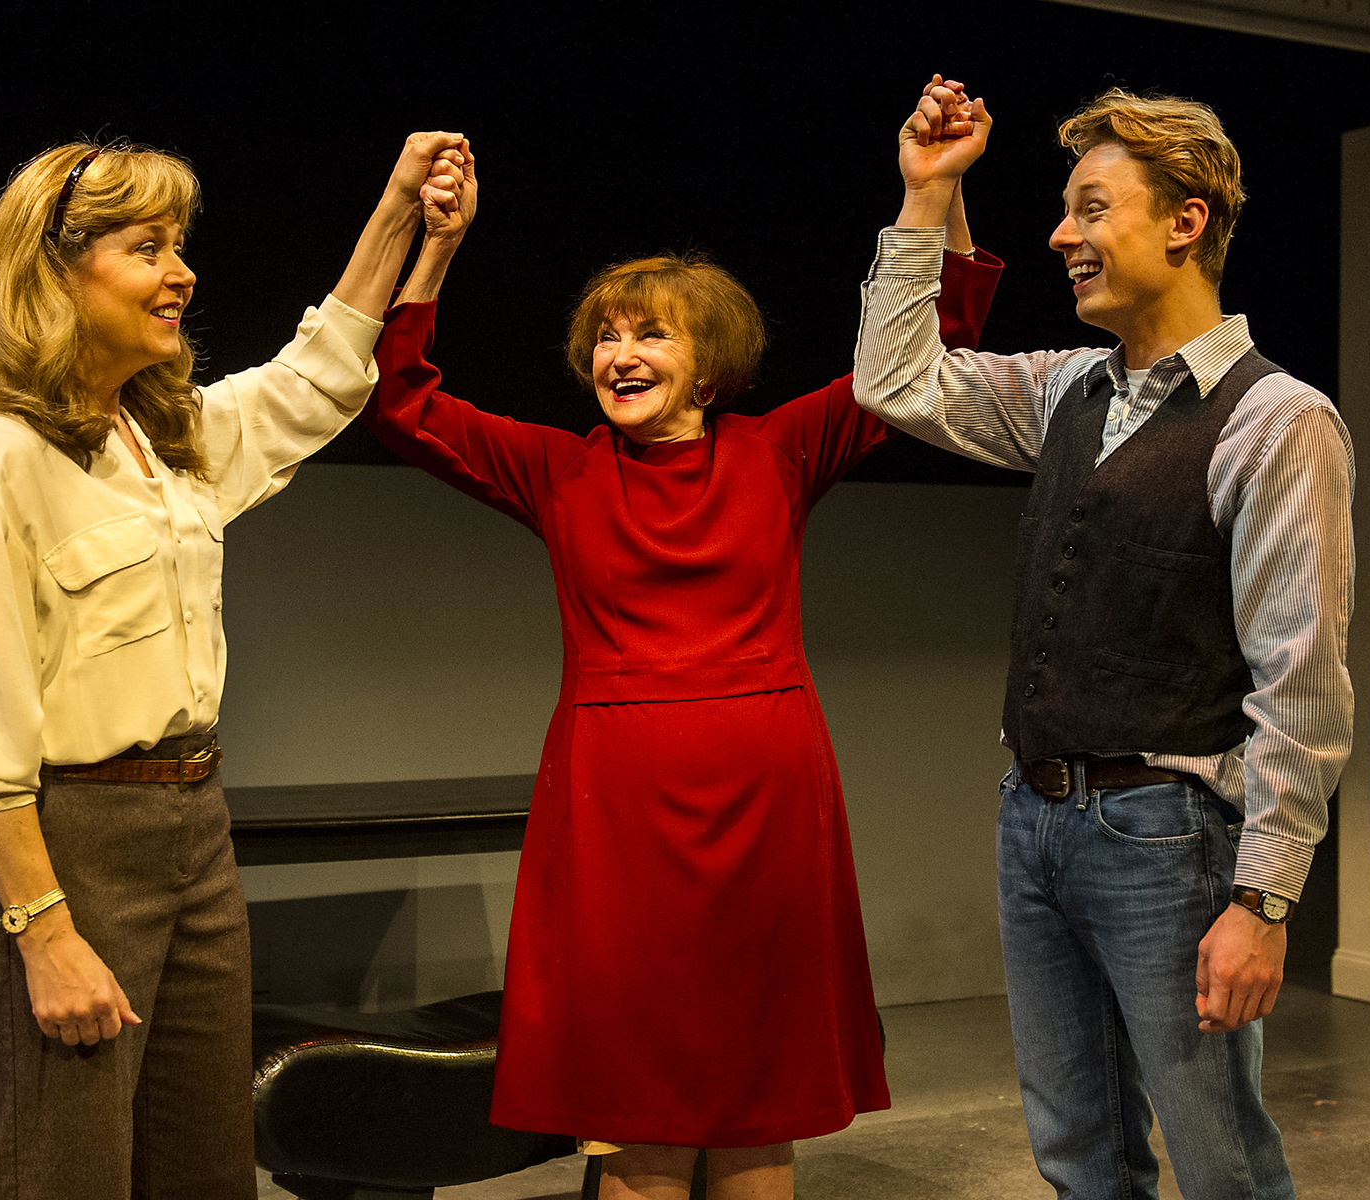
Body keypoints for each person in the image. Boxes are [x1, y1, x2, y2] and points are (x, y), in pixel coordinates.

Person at [365, 144, 1001, 1199]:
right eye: (605, 337)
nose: (619, 352)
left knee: (756, 1111)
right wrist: (435, 247)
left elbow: (936, 350)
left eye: (648, 333)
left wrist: (933, 188)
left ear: (708, 362)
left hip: (767, 806)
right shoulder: (558, 470)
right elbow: (400, 402)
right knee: (638, 1110)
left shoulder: (783, 449)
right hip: (615, 821)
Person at [0, 132, 467, 1200]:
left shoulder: (166, 440)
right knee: (63, 1170)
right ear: (54, 274)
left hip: (194, 832)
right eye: (146, 247)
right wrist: (44, 932)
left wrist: (406, 218)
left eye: (180, 246)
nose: (182, 273)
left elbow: (317, 379)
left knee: (207, 1168)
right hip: (69, 845)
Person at [853, 81, 1355, 1199]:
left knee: (1220, 1160)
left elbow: (1301, 681)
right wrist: (927, 195)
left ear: (1185, 221)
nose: (1061, 235)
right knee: (1080, 1158)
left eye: (1090, 208)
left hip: (1166, 836)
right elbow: (891, 381)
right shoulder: (1071, 389)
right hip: (1033, 816)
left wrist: (1263, 903)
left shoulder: (1278, 421)